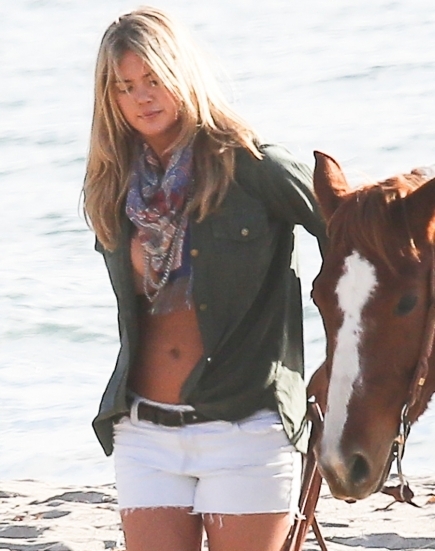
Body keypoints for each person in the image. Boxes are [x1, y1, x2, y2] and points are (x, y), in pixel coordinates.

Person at [83, 6, 326, 551]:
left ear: (181, 72)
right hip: (144, 432)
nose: (142, 97)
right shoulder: (114, 187)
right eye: (125, 87)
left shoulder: (255, 168)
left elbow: (352, 238)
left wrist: (344, 362)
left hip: (245, 428)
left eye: (153, 79)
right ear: (110, 98)